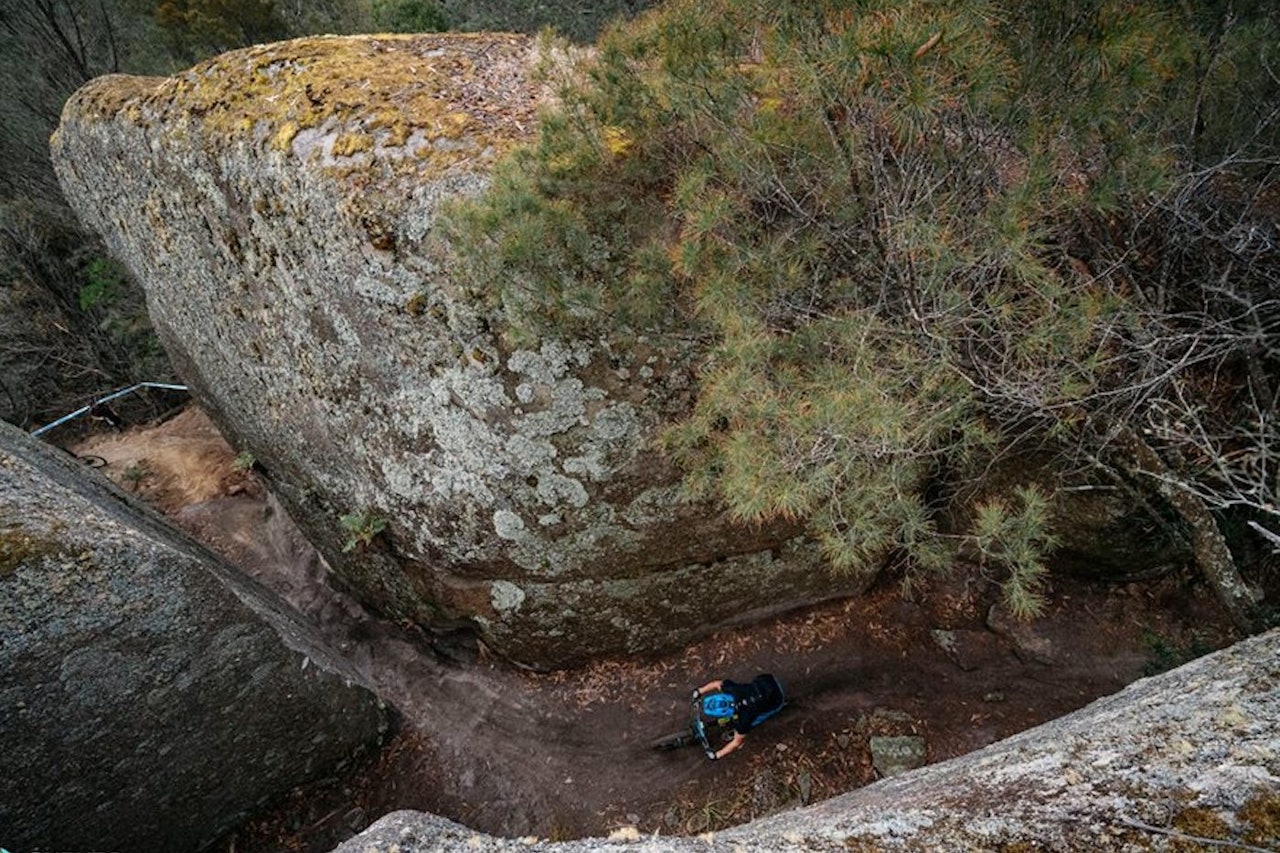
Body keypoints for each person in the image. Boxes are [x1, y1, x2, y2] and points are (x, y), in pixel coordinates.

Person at [691, 673, 785, 760]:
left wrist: (717, 755)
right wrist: (700, 691)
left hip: (777, 700)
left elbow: (736, 743)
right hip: (768, 680)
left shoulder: (743, 721)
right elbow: (717, 684)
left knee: (755, 720)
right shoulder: (732, 689)